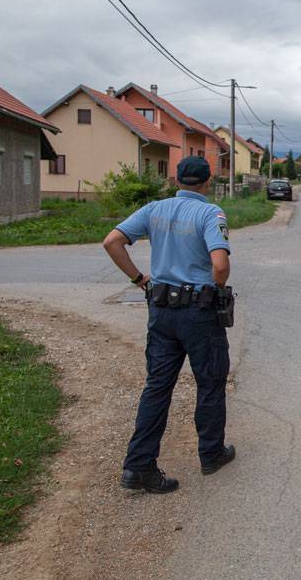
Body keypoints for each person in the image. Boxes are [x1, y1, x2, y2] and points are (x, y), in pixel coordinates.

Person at [102, 156, 235, 494]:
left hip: (161, 309)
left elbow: (112, 242)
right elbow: (219, 265)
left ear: (176, 180)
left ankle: (138, 467)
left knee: (157, 387)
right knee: (209, 381)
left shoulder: (153, 210)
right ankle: (211, 453)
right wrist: (216, 292)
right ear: (208, 183)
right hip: (199, 313)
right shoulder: (210, 213)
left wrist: (139, 279)